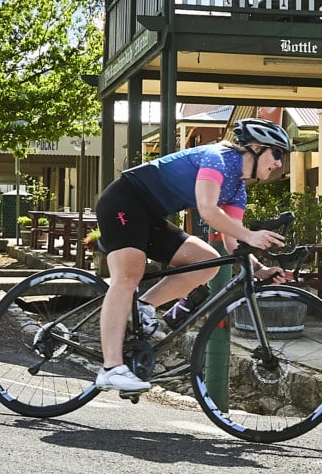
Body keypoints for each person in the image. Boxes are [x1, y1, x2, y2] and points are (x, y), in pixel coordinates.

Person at [90, 117, 295, 393]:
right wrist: (251, 235)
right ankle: (110, 368)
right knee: (129, 273)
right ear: (256, 147)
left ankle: (142, 307)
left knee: (207, 262)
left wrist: (258, 268)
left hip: (150, 214)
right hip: (124, 200)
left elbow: (232, 245)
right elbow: (207, 209)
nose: (279, 163)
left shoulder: (237, 190)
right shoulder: (217, 157)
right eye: (277, 153)